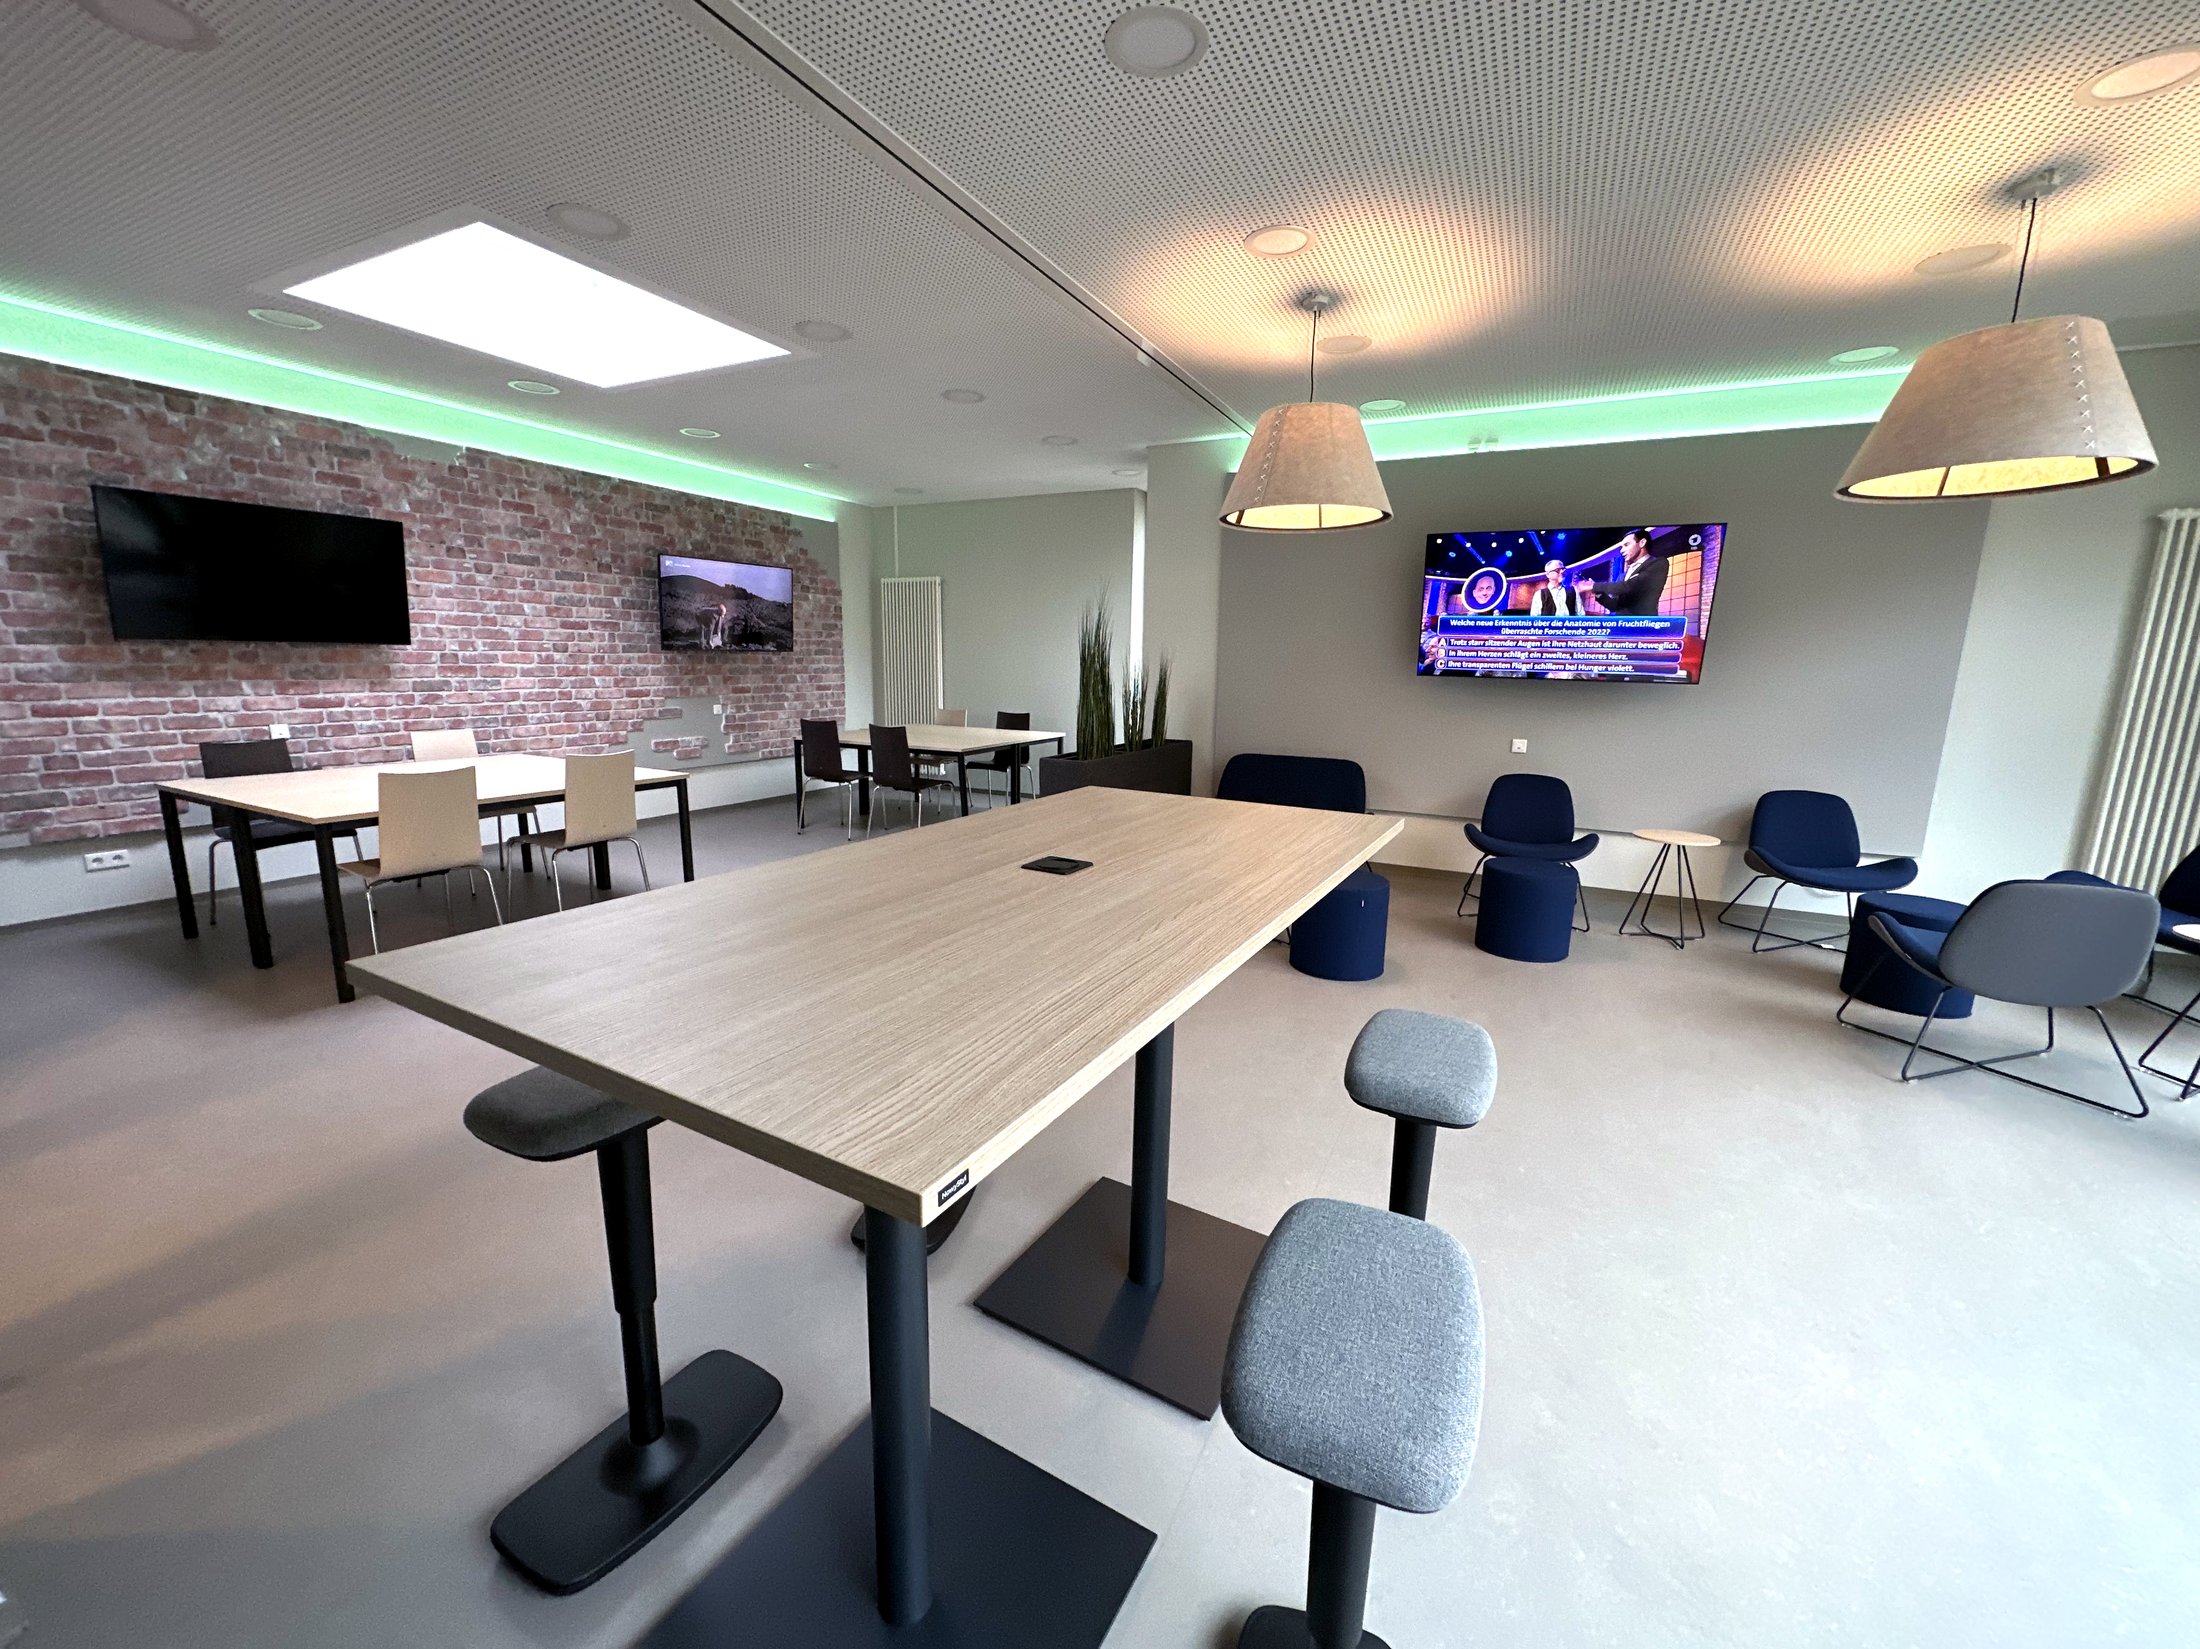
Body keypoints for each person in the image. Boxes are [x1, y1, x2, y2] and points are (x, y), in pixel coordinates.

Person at [1576, 530, 1667, 616]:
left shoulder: (1658, 564)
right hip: (1621, 627)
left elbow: (1628, 586)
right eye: (1621, 547)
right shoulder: (1623, 576)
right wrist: (1597, 592)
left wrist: (1594, 585)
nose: (1621, 550)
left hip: (1642, 627)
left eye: (1626, 545)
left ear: (1642, 543)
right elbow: (1614, 606)